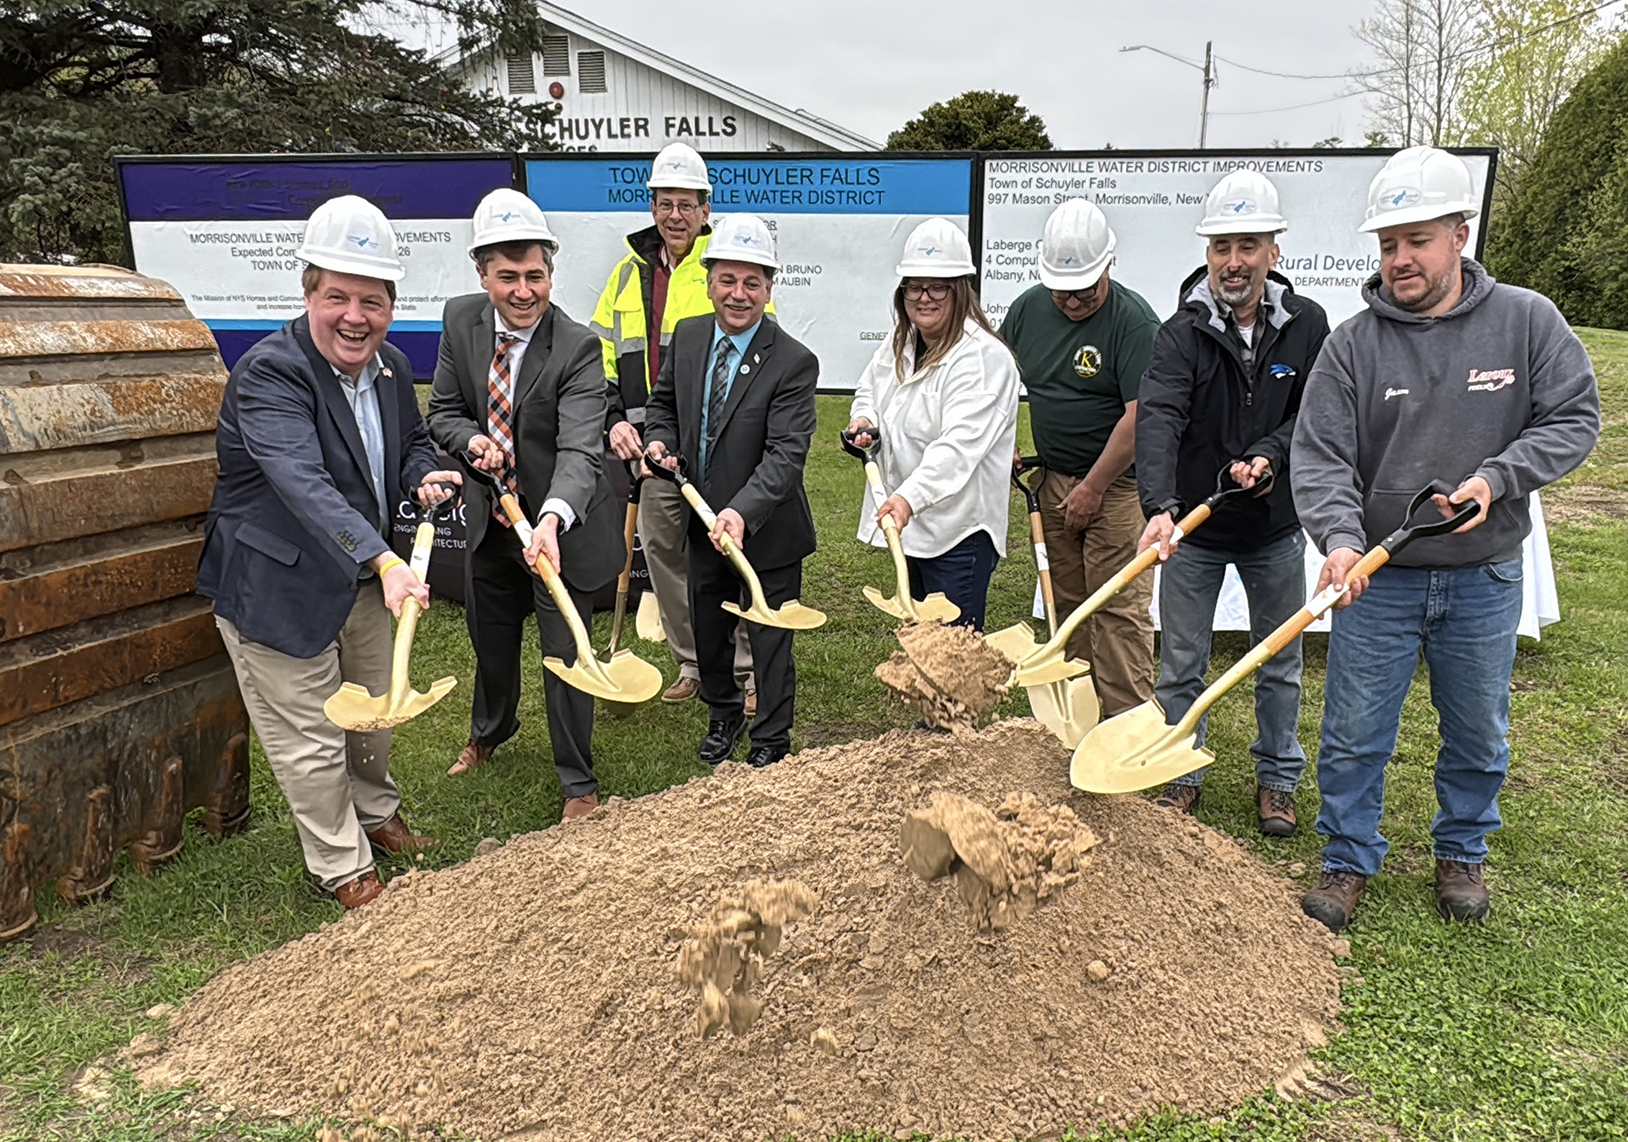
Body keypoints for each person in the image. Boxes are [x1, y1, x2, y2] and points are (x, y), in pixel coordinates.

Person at [1293, 146, 1599, 932]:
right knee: (1355, 731)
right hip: (1378, 577)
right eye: (1388, 244)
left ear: (1460, 235)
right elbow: (1321, 455)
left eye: (1417, 240)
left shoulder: (1526, 321)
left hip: (1483, 573)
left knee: (1477, 727)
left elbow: (1573, 419)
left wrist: (1499, 477)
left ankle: (1462, 850)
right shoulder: (1353, 345)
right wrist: (1336, 539)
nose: (1400, 259)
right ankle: (1347, 857)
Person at [197, 196, 460, 909]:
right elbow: (302, 482)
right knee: (311, 738)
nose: (355, 316)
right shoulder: (269, 374)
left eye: (371, 300)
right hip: (277, 587)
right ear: (308, 293)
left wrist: (423, 476)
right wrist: (385, 560)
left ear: (390, 304)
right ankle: (344, 865)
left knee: (374, 710)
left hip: (363, 578)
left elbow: (404, 445)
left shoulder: (390, 366)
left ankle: (376, 816)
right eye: (337, 296)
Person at [1135, 170, 1330, 837]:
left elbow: (1316, 415)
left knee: (1279, 663)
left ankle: (1277, 780)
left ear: (1274, 250)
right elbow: (1158, 417)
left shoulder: (1307, 326)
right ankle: (1179, 772)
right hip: (1196, 526)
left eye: (1248, 244)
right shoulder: (1180, 333)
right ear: (1208, 254)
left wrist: (1272, 455)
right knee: (1181, 662)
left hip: (1276, 527)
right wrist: (1159, 506)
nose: (1234, 261)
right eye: (1222, 246)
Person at [426, 190, 624, 821]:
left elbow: (579, 450)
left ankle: (578, 782)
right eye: (507, 276)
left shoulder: (577, 348)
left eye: (534, 275)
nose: (522, 290)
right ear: (481, 272)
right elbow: (443, 412)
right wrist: (471, 440)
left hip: (554, 525)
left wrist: (550, 519)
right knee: (492, 637)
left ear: (550, 272)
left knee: (566, 649)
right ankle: (490, 730)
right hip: (490, 521)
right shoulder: (461, 321)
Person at [643, 213, 819, 770]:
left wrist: (741, 513)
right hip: (702, 520)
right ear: (709, 277)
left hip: (766, 531)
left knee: (769, 639)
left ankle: (771, 738)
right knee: (711, 631)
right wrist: (660, 442)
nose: (738, 295)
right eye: (727, 280)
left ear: (770, 286)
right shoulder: (691, 336)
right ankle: (723, 714)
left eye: (752, 283)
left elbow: (786, 455)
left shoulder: (793, 361)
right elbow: (664, 406)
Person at [592, 143, 754, 713]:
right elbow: (602, 356)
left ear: (706, 208)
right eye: (666, 203)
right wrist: (615, 419)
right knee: (664, 550)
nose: (676, 215)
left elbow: (758, 355)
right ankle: (694, 662)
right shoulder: (625, 273)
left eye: (687, 203)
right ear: (653, 206)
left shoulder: (729, 263)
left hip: (715, 445)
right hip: (653, 446)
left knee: (726, 550)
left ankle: (746, 666)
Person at [998, 198, 1158, 714]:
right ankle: (1079, 716)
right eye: (1062, 291)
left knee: (1116, 607)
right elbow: (995, 382)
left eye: (1084, 289)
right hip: (1052, 480)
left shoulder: (1133, 323)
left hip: (1117, 489)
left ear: (1108, 265)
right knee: (1064, 605)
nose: (1071, 301)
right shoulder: (1027, 309)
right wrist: (1008, 445)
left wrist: (1091, 488)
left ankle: (1126, 722)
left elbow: (1138, 420)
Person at [846, 218, 1020, 632]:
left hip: (957, 533)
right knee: (918, 645)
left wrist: (907, 499)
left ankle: (950, 700)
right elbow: (869, 387)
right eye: (914, 286)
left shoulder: (983, 360)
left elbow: (957, 449)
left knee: (951, 656)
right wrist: (864, 417)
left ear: (960, 289)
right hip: (911, 526)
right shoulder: (902, 342)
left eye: (937, 286)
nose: (924, 297)